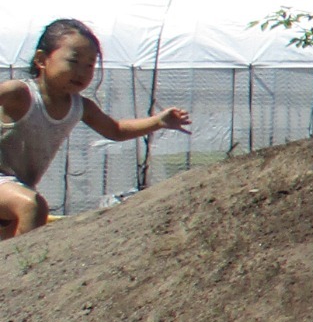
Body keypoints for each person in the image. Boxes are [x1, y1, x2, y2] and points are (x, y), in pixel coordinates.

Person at [1, 21, 191, 238]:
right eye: (73, 61)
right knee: (32, 207)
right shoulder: (20, 93)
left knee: (19, 226)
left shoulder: (81, 107)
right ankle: (26, 272)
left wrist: (158, 121)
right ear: (42, 60)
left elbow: (116, 130)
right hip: (7, 184)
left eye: (89, 65)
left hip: (17, 186)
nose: (81, 72)